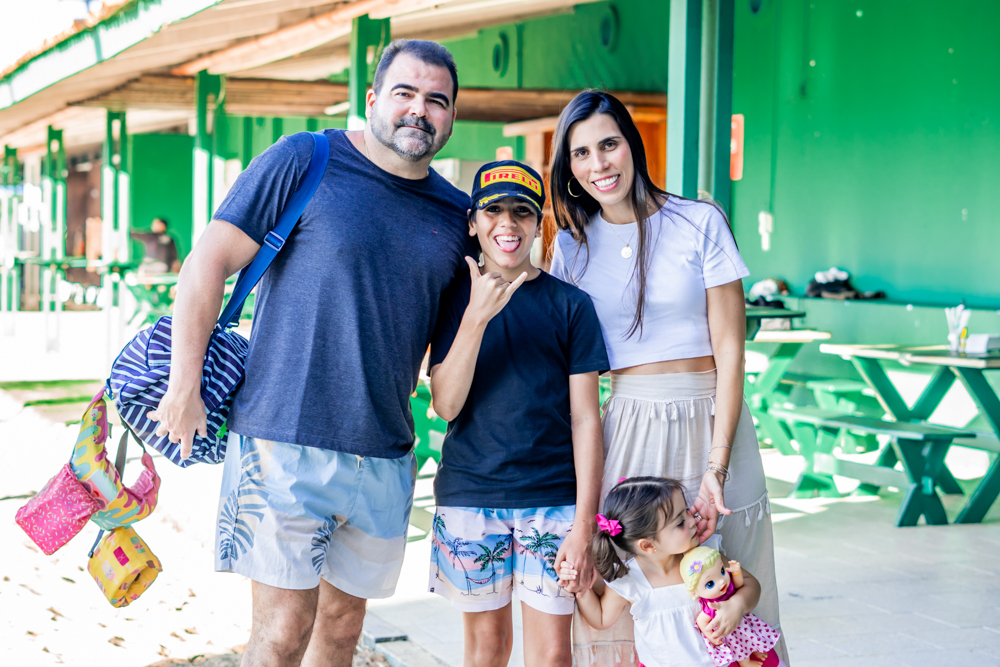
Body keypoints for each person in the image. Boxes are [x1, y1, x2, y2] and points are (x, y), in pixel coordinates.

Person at [148, 40, 472, 667]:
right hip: (282, 438)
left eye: (437, 100)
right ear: (373, 99)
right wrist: (182, 387)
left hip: (384, 451)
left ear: (451, 116)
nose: (419, 111)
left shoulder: (457, 215)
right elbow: (206, 262)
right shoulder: (309, 157)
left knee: (343, 630)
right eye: (404, 93)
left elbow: (448, 361)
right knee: (281, 632)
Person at [548, 90, 788, 664]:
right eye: (581, 154)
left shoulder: (698, 222)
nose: (598, 164)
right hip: (629, 425)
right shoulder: (571, 247)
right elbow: (562, 367)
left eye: (609, 144)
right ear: (569, 167)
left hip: (712, 419)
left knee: (734, 586)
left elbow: (731, 353)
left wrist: (717, 466)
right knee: (636, 591)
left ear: (633, 145)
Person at [427, 160, 608, 667]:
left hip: (552, 499)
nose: (507, 224)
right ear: (472, 223)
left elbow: (585, 419)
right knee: (487, 651)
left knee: (552, 656)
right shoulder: (451, 301)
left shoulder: (571, 305)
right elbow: (446, 405)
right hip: (471, 496)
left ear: (538, 223)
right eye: (494, 211)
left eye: (522, 212)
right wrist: (477, 317)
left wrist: (585, 523)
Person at [558, 477, 777, 667]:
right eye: (681, 521)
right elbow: (602, 618)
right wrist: (582, 591)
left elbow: (750, 584)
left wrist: (737, 605)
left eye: (686, 511)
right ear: (648, 545)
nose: (693, 520)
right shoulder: (631, 580)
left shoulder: (703, 557)